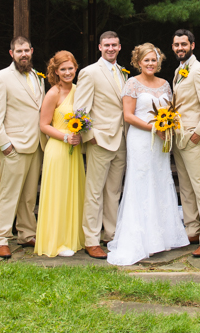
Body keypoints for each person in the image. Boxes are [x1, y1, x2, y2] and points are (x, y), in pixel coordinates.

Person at [106, 43, 189, 266]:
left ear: (158, 62)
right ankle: (140, 238)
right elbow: (129, 116)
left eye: (154, 60)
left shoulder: (164, 85)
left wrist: (167, 128)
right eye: (146, 60)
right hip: (141, 140)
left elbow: (171, 111)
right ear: (138, 62)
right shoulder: (132, 84)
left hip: (161, 141)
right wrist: (154, 128)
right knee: (141, 181)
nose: (150, 63)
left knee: (160, 180)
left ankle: (161, 236)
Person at [0, 36, 45, 258]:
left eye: (26, 50)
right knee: (9, 194)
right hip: (14, 145)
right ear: (11, 53)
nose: (23, 54)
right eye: (19, 51)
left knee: (29, 195)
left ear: (32, 51)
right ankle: (1, 237)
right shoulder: (0, 77)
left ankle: (26, 232)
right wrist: (5, 144)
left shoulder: (38, 78)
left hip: (35, 144)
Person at [72, 31, 128, 260]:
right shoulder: (89, 72)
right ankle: (91, 240)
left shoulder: (123, 73)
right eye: (107, 45)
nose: (111, 48)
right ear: (99, 47)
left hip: (122, 140)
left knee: (113, 190)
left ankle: (111, 234)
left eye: (114, 45)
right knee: (94, 191)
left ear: (120, 47)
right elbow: (80, 109)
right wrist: (89, 135)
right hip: (100, 140)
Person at [169, 29, 200, 258]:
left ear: (192, 45)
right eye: (177, 44)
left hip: (193, 138)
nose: (180, 48)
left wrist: (199, 133)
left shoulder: (199, 70)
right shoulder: (179, 70)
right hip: (179, 138)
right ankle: (192, 230)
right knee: (186, 188)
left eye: (184, 44)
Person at [35, 51, 86, 257]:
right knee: (58, 193)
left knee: (73, 192)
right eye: (62, 69)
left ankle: (72, 237)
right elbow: (43, 125)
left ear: (76, 68)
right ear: (56, 71)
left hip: (75, 150)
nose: (67, 72)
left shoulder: (79, 90)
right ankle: (57, 240)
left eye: (70, 68)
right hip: (58, 148)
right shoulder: (53, 93)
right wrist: (65, 137)